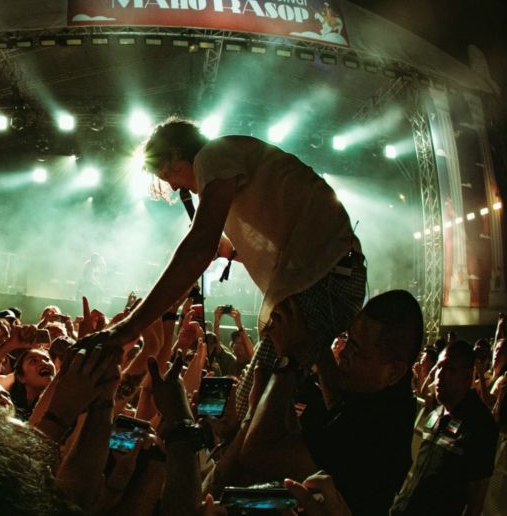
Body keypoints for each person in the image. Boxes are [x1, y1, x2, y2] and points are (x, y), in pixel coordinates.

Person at [81, 119, 366, 419]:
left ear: (179, 154)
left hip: (321, 280)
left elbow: (200, 246)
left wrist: (128, 329)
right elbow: (265, 236)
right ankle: (340, 438)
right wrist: (231, 252)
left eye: (170, 173)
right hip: (333, 275)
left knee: (251, 409)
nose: (175, 186)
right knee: (292, 400)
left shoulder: (212, 155)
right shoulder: (234, 157)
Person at [236, 290, 423, 516]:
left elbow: (256, 455)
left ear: (394, 372)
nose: (344, 354)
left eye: (358, 351)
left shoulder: (372, 431)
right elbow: (337, 403)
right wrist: (316, 342)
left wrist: (288, 360)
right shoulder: (389, 398)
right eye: (348, 340)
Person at [391, 340, 498, 516]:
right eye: (438, 367)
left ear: (467, 376)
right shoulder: (437, 412)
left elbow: (475, 503)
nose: (439, 375)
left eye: (449, 369)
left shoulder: (480, 425)